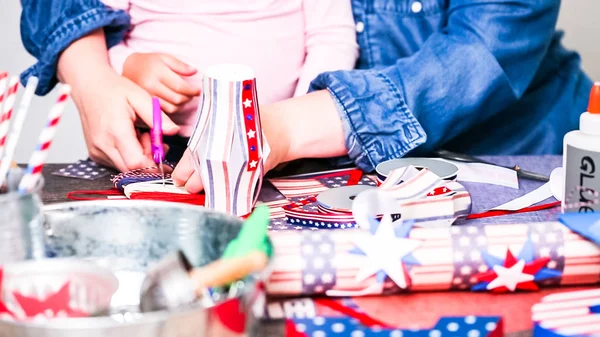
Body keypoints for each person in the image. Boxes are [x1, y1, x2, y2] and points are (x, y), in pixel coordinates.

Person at [20, 0, 593, 194]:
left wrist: (287, 123)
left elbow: (487, 49)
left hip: (514, 161)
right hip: (280, 174)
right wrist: (100, 72)